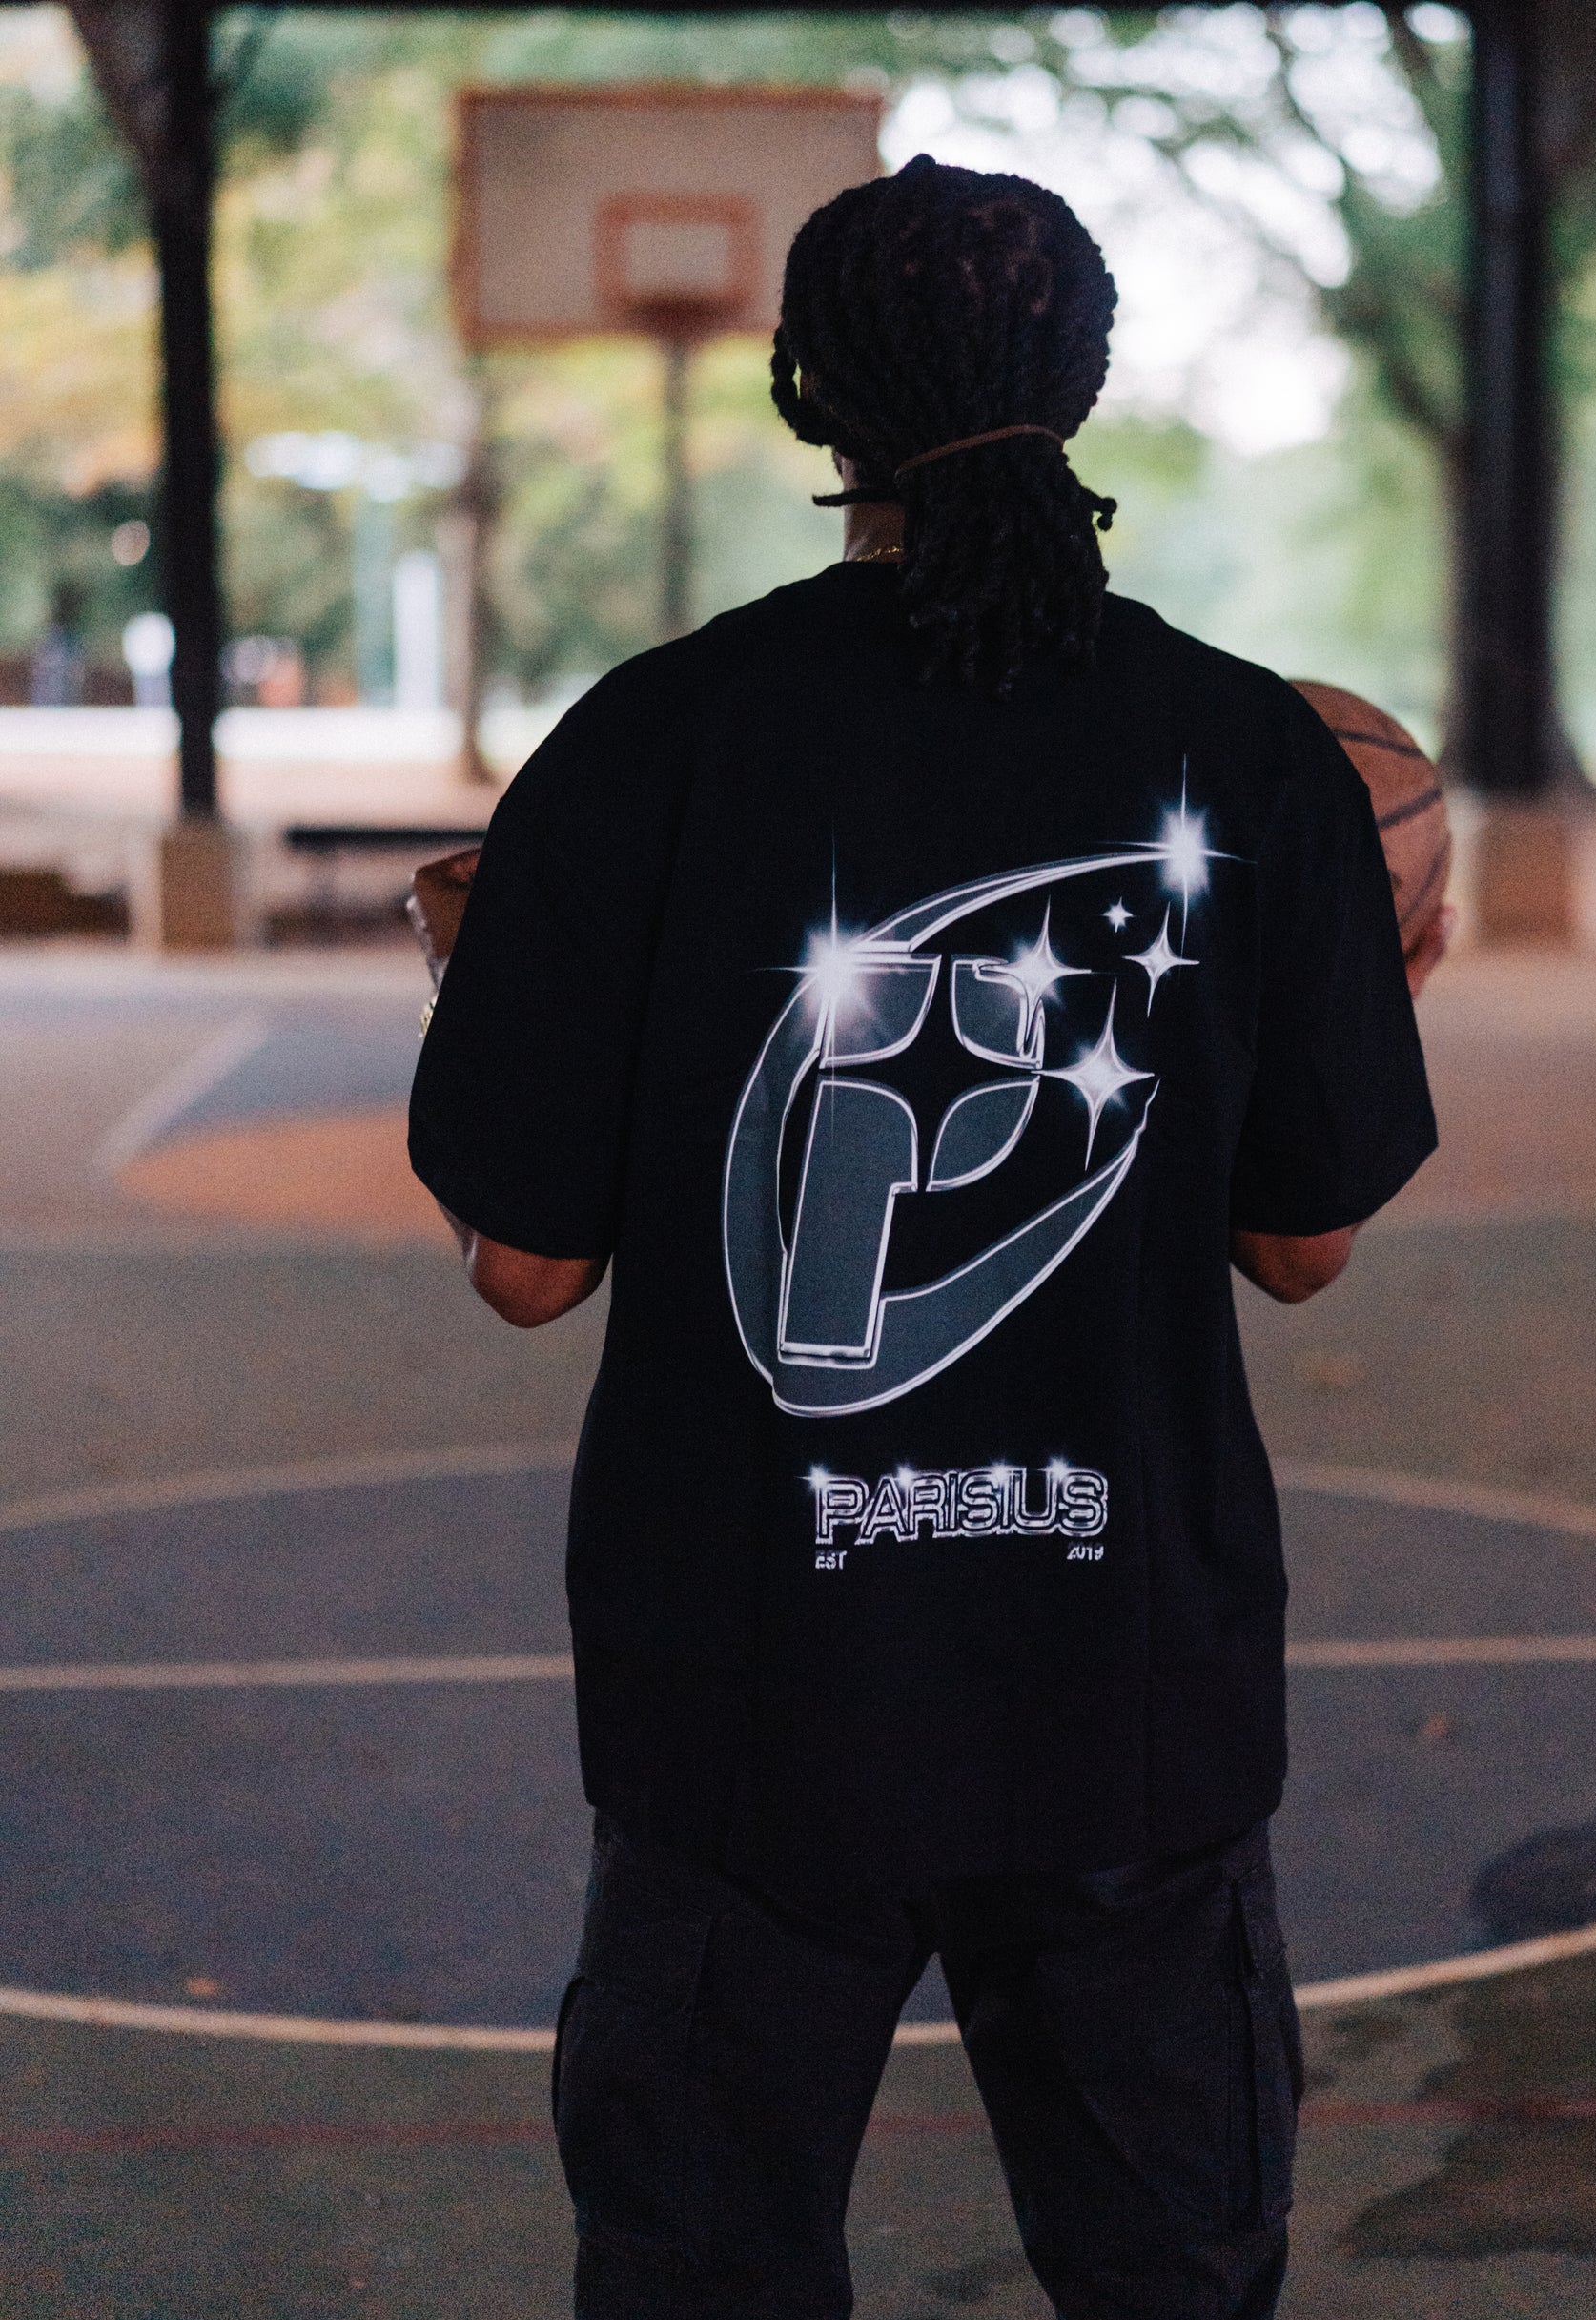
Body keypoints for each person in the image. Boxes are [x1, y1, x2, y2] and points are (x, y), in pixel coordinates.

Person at [408, 154, 1439, 2320]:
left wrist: (482, 984)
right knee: (1171, 2275)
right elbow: (1303, 1245)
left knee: (703, 2277)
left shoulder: (645, 741)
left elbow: (526, 1266)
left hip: (750, 1679)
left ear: (807, 396)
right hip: (1121, 1672)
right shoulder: (1253, 751)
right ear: (1085, 379)